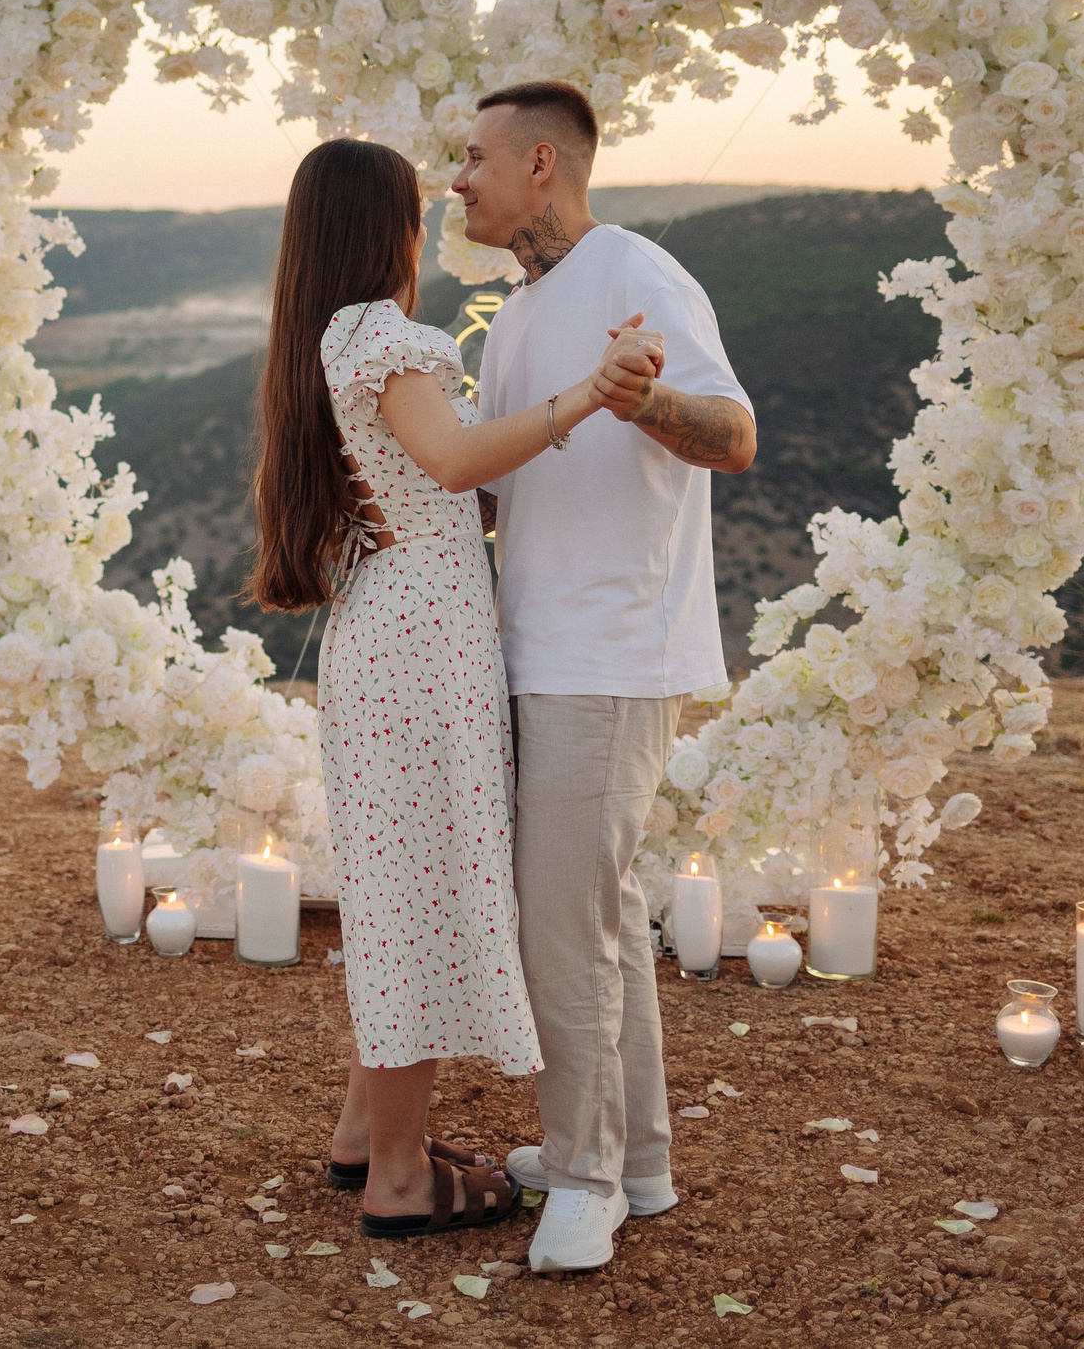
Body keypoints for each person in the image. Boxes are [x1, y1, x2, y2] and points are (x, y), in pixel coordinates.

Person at [248, 136, 647, 1241]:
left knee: (398, 892)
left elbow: (421, 485)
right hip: (423, 649)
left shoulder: (324, 337)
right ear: (389, 229)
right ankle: (397, 1179)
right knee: (417, 900)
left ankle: (357, 1137)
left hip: (390, 633)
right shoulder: (380, 332)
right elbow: (455, 462)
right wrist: (585, 398)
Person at [454, 79, 758, 1273]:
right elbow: (496, 476)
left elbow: (732, 436)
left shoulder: (637, 267)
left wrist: (645, 402)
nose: (457, 181)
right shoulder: (519, 310)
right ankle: (638, 1159)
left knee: (561, 925)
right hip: (539, 648)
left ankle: (581, 1180)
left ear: (541, 164)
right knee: (605, 918)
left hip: (613, 651)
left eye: (474, 158)